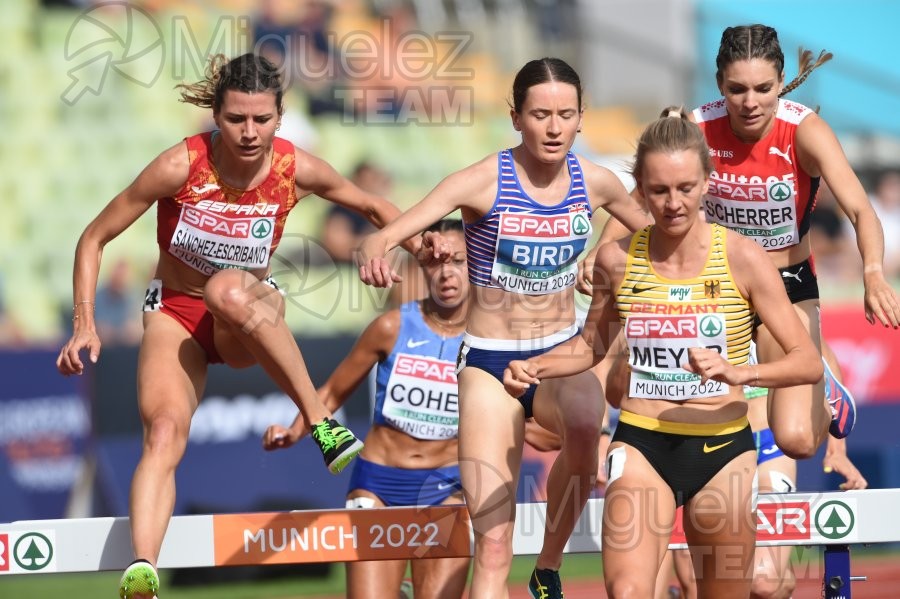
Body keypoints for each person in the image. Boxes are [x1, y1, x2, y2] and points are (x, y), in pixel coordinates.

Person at [55, 53, 419, 599]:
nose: (249, 133)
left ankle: (319, 420)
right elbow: (94, 236)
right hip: (175, 312)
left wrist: (422, 245)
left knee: (227, 286)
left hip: (249, 315)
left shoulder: (296, 169)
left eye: (261, 120)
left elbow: (371, 205)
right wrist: (85, 323)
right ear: (215, 116)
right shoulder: (181, 165)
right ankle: (143, 573)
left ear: (279, 116)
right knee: (162, 432)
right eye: (236, 120)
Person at [356, 57, 650, 597]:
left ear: (582, 117)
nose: (554, 127)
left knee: (588, 433)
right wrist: (376, 247)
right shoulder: (483, 179)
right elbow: (400, 227)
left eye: (566, 114)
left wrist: (607, 252)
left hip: (561, 353)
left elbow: (664, 238)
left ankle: (548, 568)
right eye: (541, 114)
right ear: (516, 117)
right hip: (490, 362)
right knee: (492, 544)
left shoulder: (598, 182)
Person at [505, 108, 824, 598]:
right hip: (642, 442)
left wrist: (737, 371)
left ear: (706, 183)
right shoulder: (617, 259)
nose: (673, 203)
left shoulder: (743, 257)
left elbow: (804, 361)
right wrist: (535, 366)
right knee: (628, 591)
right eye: (658, 191)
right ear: (640, 188)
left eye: (686, 188)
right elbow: (590, 347)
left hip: (722, 448)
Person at [262, 219, 471, 599]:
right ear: (423, 267)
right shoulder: (392, 326)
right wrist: (295, 431)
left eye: (457, 260)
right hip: (379, 482)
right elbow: (332, 391)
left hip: (446, 488)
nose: (446, 272)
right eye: (437, 262)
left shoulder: (487, 340)